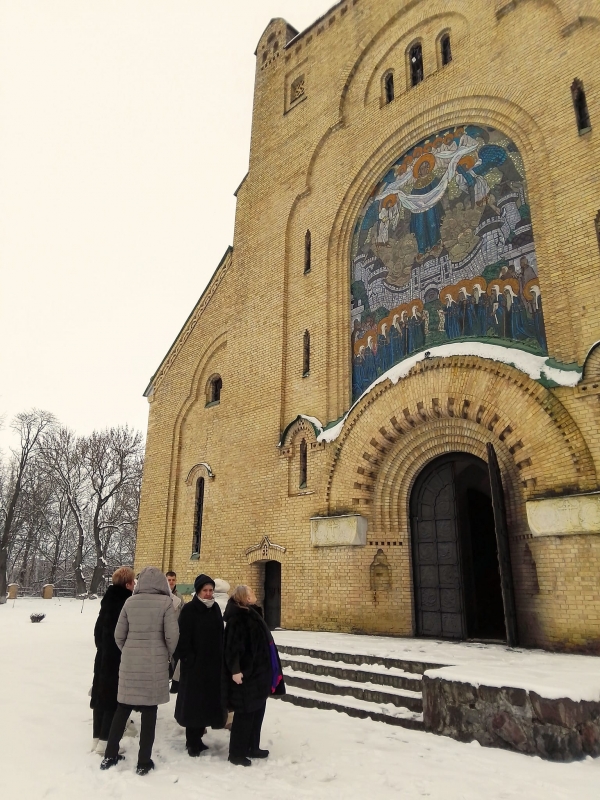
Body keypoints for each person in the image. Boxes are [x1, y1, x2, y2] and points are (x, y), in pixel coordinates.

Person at [100, 566, 179, 776]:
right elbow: (172, 636)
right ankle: (143, 761)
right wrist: (165, 653)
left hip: (129, 663)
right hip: (154, 665)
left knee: (122, 709)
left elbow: (119, 635)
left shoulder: (130, 602)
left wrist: (128, 650)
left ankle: (110, 754)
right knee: (150, 712)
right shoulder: (166, 603)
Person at [223, 585, 286, 767]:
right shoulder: (239, 618)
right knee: (244, 714)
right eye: (250, 592)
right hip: (247, 674)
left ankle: (252, 746)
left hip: (259, 674)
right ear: (244, 597)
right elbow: (232, 648)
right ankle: (236, 753)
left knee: (257, 711)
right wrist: (235, 670)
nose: (254, 594)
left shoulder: (252, 613)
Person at [174, 574, 225, 756]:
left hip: (212, 665)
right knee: (193, 704)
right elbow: (182, 638)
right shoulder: (189, 610)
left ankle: (199, 739)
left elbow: (220, 633)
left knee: (206, 703)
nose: (209, 594)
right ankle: (192, 742)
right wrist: (188, 659)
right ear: (198, 591)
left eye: (211, 590)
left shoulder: (215, 608)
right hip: (194, 667)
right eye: (205, 590)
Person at [90, 566, 135, 755]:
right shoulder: (126, 603)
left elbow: (97, 632)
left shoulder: (107, 600)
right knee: (112, 700)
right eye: (133, 582)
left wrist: (102, 648)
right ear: (127, 584)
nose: (134, 586)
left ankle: (96, 738)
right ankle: (105, 742)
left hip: (103, 657)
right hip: (117, 658)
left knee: (100, 697)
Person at [166, 570, 183, 693]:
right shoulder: (162, 594)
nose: (171, 582)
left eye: (173, 580)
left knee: (176, 657)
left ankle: (175, 684)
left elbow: (182, 613)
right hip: (164, 631)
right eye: (169, 580)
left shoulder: (179, 596)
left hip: (176, 631)